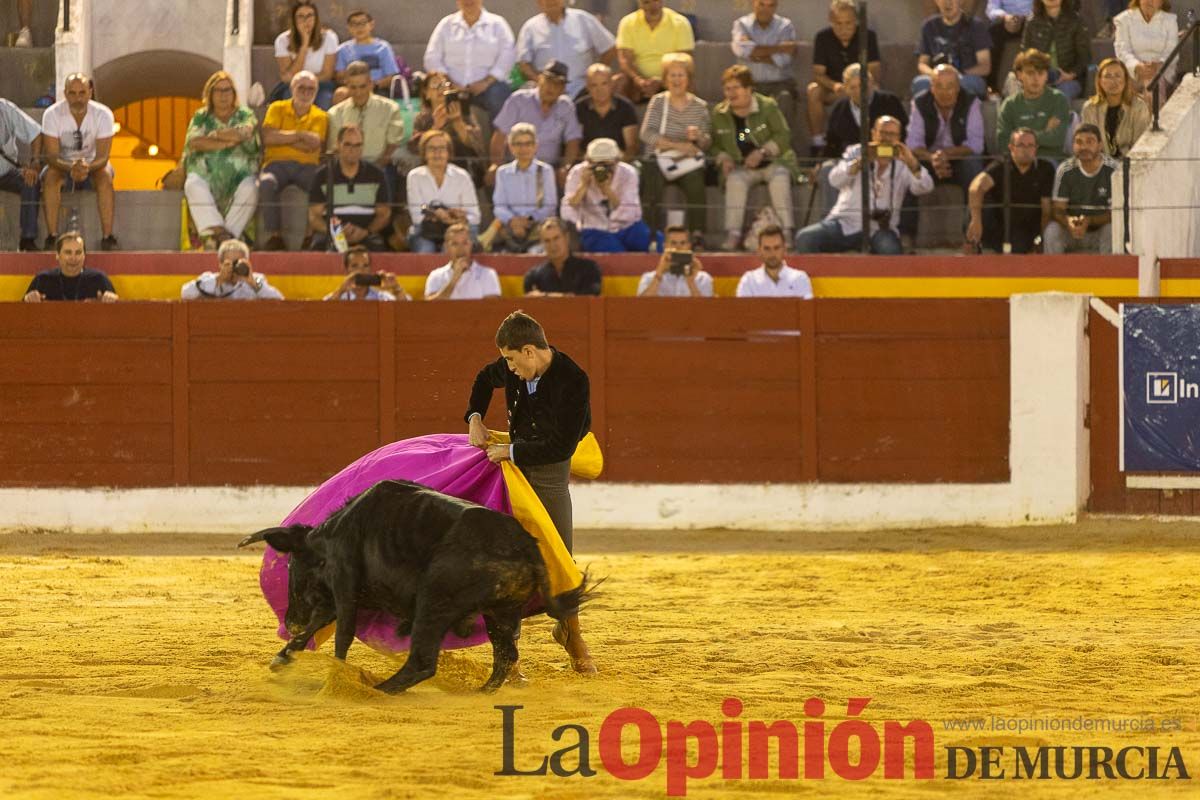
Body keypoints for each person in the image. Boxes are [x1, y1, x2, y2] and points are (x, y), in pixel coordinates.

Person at [466, 310, 598, 675]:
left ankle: (571, 634)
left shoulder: (572, 380)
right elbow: (482, 378)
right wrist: (475, 416)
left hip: (550, 474)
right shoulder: (514, 366)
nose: (507, 367)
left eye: (510, 359)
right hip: (514, 473)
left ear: (529, 351)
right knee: (508, 562)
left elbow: (560, 448)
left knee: (560, 557)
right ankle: (508, 653)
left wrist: (509, 451)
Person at [795, 115, 933, 254]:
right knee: (805, 238)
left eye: (892, 134)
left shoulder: (903, 159)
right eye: (883, 133)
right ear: (873, 134)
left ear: (899, 138)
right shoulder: (857, 150)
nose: (886, 138)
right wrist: (861, 161)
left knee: (890, 250)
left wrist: (911, 162)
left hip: (879, 229)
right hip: (845, 222)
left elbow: (925, 187)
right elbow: (834, 180)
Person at [709, 65, 799, 252]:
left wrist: (763, 152)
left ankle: (787, 232)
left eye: (736, 88)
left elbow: (783, 135)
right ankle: (733, 234)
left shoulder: (767, 106)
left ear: (749, 89)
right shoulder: (719, 113)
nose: (731, 93)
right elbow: (714, 145)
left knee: (780, 179)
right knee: (734, 180)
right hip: (742, 166)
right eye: (727, 89)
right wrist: (723, 158)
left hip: (773, 162)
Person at [40, 73, 117, 251]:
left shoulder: (103, 114)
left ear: (90, 92)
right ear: (65, 94)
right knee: (50, 178)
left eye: (82, 92)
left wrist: (85, 168)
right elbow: (52, 156)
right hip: (62, 164)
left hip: (93, 164)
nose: (78, 98)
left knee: (105, 177)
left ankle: (108, 236)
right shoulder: (51, 114)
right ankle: (52, 236)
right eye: (72, 93)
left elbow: (103, 157)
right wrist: (71, 167)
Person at [183, 71, 259, 250]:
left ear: (234, 93)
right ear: (210, 94)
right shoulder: (201, 116)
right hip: (206, 175)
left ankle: (221, 239)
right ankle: (223, 234)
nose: (224, 95)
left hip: (240, 177)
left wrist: (216, 135)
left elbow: (245, 132)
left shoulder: (244, 114)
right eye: (218, 91)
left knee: (252, 188)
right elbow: (194, 142)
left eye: (228, 90)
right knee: (192, 184)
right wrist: (228, 143)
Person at [639, 52, 710, 235]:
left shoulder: (700, 106)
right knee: (651, 180)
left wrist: (699, 136)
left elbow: (707, 141)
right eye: (672, 75)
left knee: (696, 181)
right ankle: (651, 235)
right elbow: (646, 134)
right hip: (660, 159)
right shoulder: (658, 102)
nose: (677, 80)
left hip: (686, 162)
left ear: (688, 79)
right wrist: (678, 146)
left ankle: (697, 234)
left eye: (681, 75)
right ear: (665, 79)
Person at [258, 71, 328, 251]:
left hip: (307, 166)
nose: (306, 93)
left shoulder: (320, 116)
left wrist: (283, 137)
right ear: (292, 89)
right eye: (301, 88)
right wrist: (300, 135)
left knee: (322, 184)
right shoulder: (276, 108)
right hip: (276, 164)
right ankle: (275, 237)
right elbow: (268, 138)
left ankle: (310, 235)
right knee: (266, 183)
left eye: (311, 89)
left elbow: (313, 145)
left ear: (316, 91)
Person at [807, 0, 881, 157]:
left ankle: (873, 140)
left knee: (877, 90)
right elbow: (818, 73)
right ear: (831, 21)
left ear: (856, 21)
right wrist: (835, 86)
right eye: (838, 24)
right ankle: (818, 143)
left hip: (860, 86)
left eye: (848, 23)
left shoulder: (868, 36)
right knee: (813, 90)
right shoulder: (822, 37)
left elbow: (873, 70)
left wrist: (855, 87)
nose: (844, 29)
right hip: (835, 89)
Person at [489, 60, 582, 186]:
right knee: (493, 174)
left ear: (563, 88)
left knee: (567, 178)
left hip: (550, 171)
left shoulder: (566, 106)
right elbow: (500, 136)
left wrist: (566, 167)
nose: (552, 87)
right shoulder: (518, 100)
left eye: (558, 84)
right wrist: (497, 165)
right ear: (539, 79)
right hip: (516, 167)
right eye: (549, 81)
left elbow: (573, 141)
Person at [906, 65, 985, 208]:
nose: (945, 92)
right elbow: (913, 143)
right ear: (932, 88)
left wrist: (946, 154)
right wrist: (933, 158)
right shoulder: (919, 103)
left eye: (950, 86)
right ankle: (906, 229)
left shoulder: (971, 102)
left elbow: (975, 144)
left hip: (958, 160)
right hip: (930, 160)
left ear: (958, 88)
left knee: (973, 166)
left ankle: (977, 225)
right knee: (908, 168)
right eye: (939, 86)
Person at [424, 0, 516, 122]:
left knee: (498, 94)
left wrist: (485, 83)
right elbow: (431, 58)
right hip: (450, 86)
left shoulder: (498, 24)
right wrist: (450, 83)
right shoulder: (446, 24)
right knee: (435, 94)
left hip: (488, 87)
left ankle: (500, 140)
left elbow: (508, 56)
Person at [966, 127, 1055, 253]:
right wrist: (976, 221)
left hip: (1026, 226)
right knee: (972, 211)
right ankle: (975, 247)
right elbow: (976, 187)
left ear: (1036, 148)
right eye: (1021, 145)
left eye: (1031, 145)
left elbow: (1046, 209)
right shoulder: (1002, 164)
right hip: (1000, 222)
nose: (1026, 150)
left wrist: (1040, 238)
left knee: (1017, 251)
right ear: (1011, 147)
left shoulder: (1045, 168)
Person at [307, 124, 391, 252]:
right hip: (331, 233)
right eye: (348, 144)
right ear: (338, 144)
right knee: (318, 249)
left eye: (358, 145)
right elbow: (314, 217)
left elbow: (384, 214)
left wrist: (366, 232)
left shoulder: (376, 174)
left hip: (366, 233)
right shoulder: (322, 175)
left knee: (378, 248)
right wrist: (336, 232)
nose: (353, 150)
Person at [560, 137, 651, 252]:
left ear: (617, 161)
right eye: (597, 164)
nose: (602, 169)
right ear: (588, 161)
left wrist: (606, 189)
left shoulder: (628, 173)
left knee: (642, 237)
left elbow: (629, 211)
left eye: (607, 165)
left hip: (625, 226)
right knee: (615, 252)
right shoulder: (578, 172)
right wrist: (583, 185)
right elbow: (568, 208)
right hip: (594, 228)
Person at [516, 0, 616, 98]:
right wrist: (541, 82)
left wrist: (595, 77)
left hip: (581, 89)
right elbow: (523, 64)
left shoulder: (583, 19)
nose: (551, 1)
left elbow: (609, 48)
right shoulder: (530, 27)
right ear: (539, 2)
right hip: (546, 91)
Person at [326, 61, 406, 180]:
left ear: (370, 84)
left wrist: (374, 169)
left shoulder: (390, 108)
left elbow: (392, 145)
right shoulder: (335, 113)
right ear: (346, 85)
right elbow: (335, 149)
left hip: (379, 166)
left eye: (362, 86)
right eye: (353, 87)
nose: (358, 93)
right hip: (345, 169)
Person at [486, 123, 558, 254]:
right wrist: (513, 221)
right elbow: (499, 206)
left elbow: (550, 205)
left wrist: (528, 221)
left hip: (538, 227)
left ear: (535, 146)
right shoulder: (503, 172)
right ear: (511, 147)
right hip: (510, 227)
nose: (523, 149)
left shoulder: (545, 171)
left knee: (536, 251)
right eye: (518, 144)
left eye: (528, 144)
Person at [1044, 124, 1116, 254]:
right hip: (1072, 232)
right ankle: (1053, 273)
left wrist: (1089, 221)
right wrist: (1068, 221)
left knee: (1112, 230)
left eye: (1090, 141)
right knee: (1052, 230)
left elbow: (1116, 214)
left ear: (1100, 145)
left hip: (1098, 233)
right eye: (1079, 142)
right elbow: (1058, 209)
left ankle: (1108, 273)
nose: (1084, 147)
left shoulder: (1113, 170)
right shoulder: (1065, 169)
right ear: (1073, 146)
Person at [407, 129, 481, 253]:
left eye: (442, 148)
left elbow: (475, 216)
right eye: (432, 149)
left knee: (450, 250)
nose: (437, 153)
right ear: (424, 153)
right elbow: (416, 216)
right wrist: (438, 215)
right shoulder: (414, 176)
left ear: (449, 152)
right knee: (426, 250)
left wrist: (456, 219)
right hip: (427, 231)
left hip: (458, 229)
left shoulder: (462, 176)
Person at [731, 0, 800, 129]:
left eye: (771, 5)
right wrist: (779, 48)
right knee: (739, 98)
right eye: (761, 4)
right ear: (753, 3)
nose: (765, 9)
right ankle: (742, 143)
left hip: (779, 84)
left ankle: (781, 145)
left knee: (785, 98)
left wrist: (755, 53)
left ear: (776, 6)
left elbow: (784, 60)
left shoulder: (785, 26)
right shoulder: (742, 24)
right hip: (749, 84)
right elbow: (742, 50)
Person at [406, 71, 485, 183]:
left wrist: (458, 122)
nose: (440, 89)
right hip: (432, 170)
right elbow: (414, 148)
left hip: (464, 171)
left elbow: (477, 146)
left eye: (444, 85)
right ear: (426, 93)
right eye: (435, 85)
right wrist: (436, 127)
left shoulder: (464, 113)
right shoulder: (422, 118)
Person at [997, 49, 1071, 162]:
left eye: (1041, 73)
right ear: (1019, 75)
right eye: (1030, 73)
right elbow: (1003, 142)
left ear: (1047, 75)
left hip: (1049, 161)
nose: (1036, 79)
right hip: (1016, 161)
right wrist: (1044, 133)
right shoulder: (1010, 104)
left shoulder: (1058, 99)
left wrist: (1019, 139)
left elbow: (1057, 139)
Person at [615, 0, 695, 103]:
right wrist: (639, 80)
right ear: (640, 3)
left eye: (656, 1)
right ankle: (621, 118)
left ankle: (685, 116)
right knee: (618, 82)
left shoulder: (680, 23)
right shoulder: (627, 22)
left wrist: (662, 81)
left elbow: (685, 61)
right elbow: (625, 59)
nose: (653, 6)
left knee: (686, 82)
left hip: (670, 78)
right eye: (647, 2)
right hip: (637, 81)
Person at [823, 63, 907, 160]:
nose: (859, 91)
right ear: (846, 89)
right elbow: (832, 143)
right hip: (848, 164)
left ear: (872, 83)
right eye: (853, 87)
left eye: (862, 85)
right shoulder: (840, 109)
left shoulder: (890, 102)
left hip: (887, 159)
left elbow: (903, 138)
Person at [912, 0, 992, 99]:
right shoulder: (929, 26)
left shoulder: (976, 25)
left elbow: (985, 66)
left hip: (965, 77)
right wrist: (936, 75)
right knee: (919, 83)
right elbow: (922, 64)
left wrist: (956, 75)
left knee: (971, 84)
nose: (947, 3)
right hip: (938, 78)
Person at [1020, 0, 1091, 101]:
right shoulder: (1032, 21)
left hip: (1070, 78)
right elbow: (1025, 54)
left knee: (1060, 95)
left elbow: (1085, 57)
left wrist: (1071, 74)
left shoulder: (1075, 20)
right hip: (1039, 76)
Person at [1081, 57, 1151, 158]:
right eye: (1108, 76)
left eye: (1118, 76)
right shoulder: (1090, 108)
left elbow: (1140, 144)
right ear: (1100, 81)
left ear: (1126, 80)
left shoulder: (1138, 107)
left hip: (1128, 164)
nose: (1113, 81)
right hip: (1100, 165)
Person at [273, 0, 338, 109]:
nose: (306, 20)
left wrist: (308, 83)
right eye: (300, 16)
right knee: (290, 97)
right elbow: (286, 77)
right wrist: (304, 44)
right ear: (294, 20)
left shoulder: (329, 37)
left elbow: (327, 74)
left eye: (309, 16)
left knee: (325, 99)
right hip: (294, 85)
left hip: (321, 84)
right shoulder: (282, 40)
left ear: (316, 18)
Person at [22, 232, 117, 302]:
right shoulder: (43, 279)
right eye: (68, 252)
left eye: (78, 253)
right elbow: (20, 314)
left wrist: (112, 300)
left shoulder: (99, 279)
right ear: (57, 255)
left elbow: (117, 316)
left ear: (84, 256)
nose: (73, 258)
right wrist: (28, 300)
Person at [1114, 0, 1179, 102]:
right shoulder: (1124, 19)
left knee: (1152, 81)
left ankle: (1155, 116)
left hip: (1161, 70)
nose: (1150, 1)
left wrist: (1158, 65)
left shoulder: (1170, 20)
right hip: (1132, 70)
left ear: (1162, 2)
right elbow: (1122, 50)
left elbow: (1172, 51)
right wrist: (1136, 66)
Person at [0, 96, 42, 251]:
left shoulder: (4, 108)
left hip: (7, 172)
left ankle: (27, 239)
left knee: (31, 181)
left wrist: (35, 163)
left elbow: (36, 133)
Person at [180, 239, 285, 300]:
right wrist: (218, 280)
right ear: (220, 264)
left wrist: (253, 282)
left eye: (238, 262)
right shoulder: (209, 279)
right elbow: (185, 293)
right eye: (229, 263)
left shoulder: (256, 280)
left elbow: (278, 299)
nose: (234, 267)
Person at [575, 63, 639, 162]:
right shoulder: (579, 108)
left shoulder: (626, 107)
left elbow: (631, 147)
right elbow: (575, 145)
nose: (599, 90)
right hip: (587, 163)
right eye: (594, 85)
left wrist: (616, 167)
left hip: (618, 162)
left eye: (604, 83)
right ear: (587, 87)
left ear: (612, 84)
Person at [523, 217, 603, 296]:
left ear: (566, 238)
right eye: (547, 241)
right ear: (542, 243)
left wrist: (546, 296)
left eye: (556, 238)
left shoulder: (590, 269)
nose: (552, 245)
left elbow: (590, 297)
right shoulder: (533, 276)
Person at [425, 222, 501, 300]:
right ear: (446, 247)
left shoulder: (487, 274)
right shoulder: (436, 276)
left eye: (465, 243)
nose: (460, 249)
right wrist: (454, 279)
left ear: (471, 245)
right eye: (454, 244)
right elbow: (429, 309)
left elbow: (491, 308)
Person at [734, 224, 813, 298]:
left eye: (776, 248)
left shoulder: (800, 278)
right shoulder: (749, 281)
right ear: (759, 251)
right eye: (767, 248)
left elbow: (807, 311)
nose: (772, 254)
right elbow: (742, 312)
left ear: (784, 249)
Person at [335, 9, 404, 93]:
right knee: (340, 93)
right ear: (349, 28)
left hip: (377, 88)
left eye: (363, 23)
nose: (359, 27)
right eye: (354, 24)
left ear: (371, 25)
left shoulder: (383, 47)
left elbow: (391, 76)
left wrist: (373, 86)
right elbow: (340, 76)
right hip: (352, 90)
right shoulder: (343, 49)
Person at [636, 224, 714, 296]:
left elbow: (706, 309)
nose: (678, 248)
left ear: (689, 246)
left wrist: (691, 282)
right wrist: (659, 274)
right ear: (665, 246)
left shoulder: (703, 278)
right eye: (673, 243)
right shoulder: (649, 278)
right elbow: (640, 307)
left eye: (682, 243)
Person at [323, 245, 410, 301]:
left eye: (365, 266)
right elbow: (322, 313)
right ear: (346, 271)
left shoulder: (381, 297)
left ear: (370, 269)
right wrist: (340, 291)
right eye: (354, 266)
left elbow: (405, 312)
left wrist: (396, 288)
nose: (361, 270)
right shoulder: (339, 296)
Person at [986, 1, 1033, 91]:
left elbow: (1039, 7)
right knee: (993, 30)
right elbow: (991, 10)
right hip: (1005, 21)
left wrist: (1024, 17)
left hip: (1029, 20)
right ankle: (992, 87)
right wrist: (1005, 16)